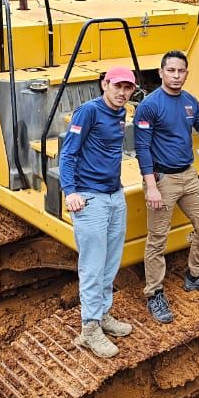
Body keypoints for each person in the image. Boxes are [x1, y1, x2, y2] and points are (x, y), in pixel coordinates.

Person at [133, 50, 199, 324]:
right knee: (157, 239)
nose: (176, 76)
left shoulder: (190, 102)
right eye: (171, 70)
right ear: (162, 72)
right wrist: (151, 187)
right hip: (162, 180)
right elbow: (141, 148)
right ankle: (154, 293)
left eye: (181, 71)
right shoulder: (149, 106)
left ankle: (196, 275)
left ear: (186, 74)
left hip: (188, 175)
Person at [60, 66, 139, 358]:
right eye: (117, 86)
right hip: (90, 199)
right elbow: (69, 153)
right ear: (104, 84)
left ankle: (103, 315)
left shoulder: (121, 113)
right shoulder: (88, 112)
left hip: (114, 195)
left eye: (127, 88)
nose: (122, 92)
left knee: (110, 263)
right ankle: (89, 328)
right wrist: (70, 192)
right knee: (93, 266)